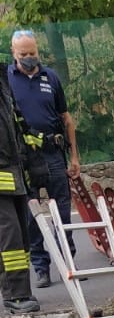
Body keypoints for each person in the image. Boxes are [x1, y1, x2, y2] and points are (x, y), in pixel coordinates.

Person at [8, 29, 80, 290]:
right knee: (32, 216)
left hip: (53, 153)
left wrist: (74, 156)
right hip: (25, 158)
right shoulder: (6, 79)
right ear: (14, 53)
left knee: (62, 211)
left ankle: (69, 264)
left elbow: (66, 119)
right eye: (23, 54)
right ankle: (41, 268)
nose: (29, 58)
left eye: (33, 53)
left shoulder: (51, 77)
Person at [0, 61, 40, 315]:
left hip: (13, 172)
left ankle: (20, 292)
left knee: (20, 237)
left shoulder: (3, 80)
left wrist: (32, 164)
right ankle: (15, 295)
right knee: (10, 235)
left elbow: (16, 125)